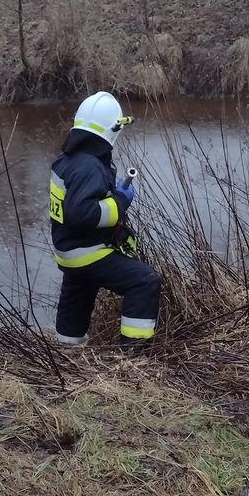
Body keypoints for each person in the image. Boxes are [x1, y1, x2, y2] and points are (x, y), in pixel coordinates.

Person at [48, 92, 160, 346]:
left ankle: (68, 348)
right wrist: (120, 200)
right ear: (113, 129)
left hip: (67, 251)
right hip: (88, 252)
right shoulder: (89, 167)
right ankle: (134, 352)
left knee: (78, 288)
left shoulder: (67, 161)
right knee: (144, 282)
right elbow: (83, 214)